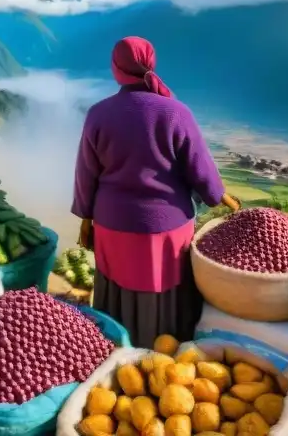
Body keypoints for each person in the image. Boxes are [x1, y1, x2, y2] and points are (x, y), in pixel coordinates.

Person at [72, 36, 239, 348]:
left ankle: (113, 348)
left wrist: (86, 219)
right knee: (166, 289)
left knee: (116, 288)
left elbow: (86, 174)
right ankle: (167, 352)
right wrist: (221, 198)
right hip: (167, 228)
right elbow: (199, 167)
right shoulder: (175, 112)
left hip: (113, 225)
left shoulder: (98, 114)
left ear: (116, 68)